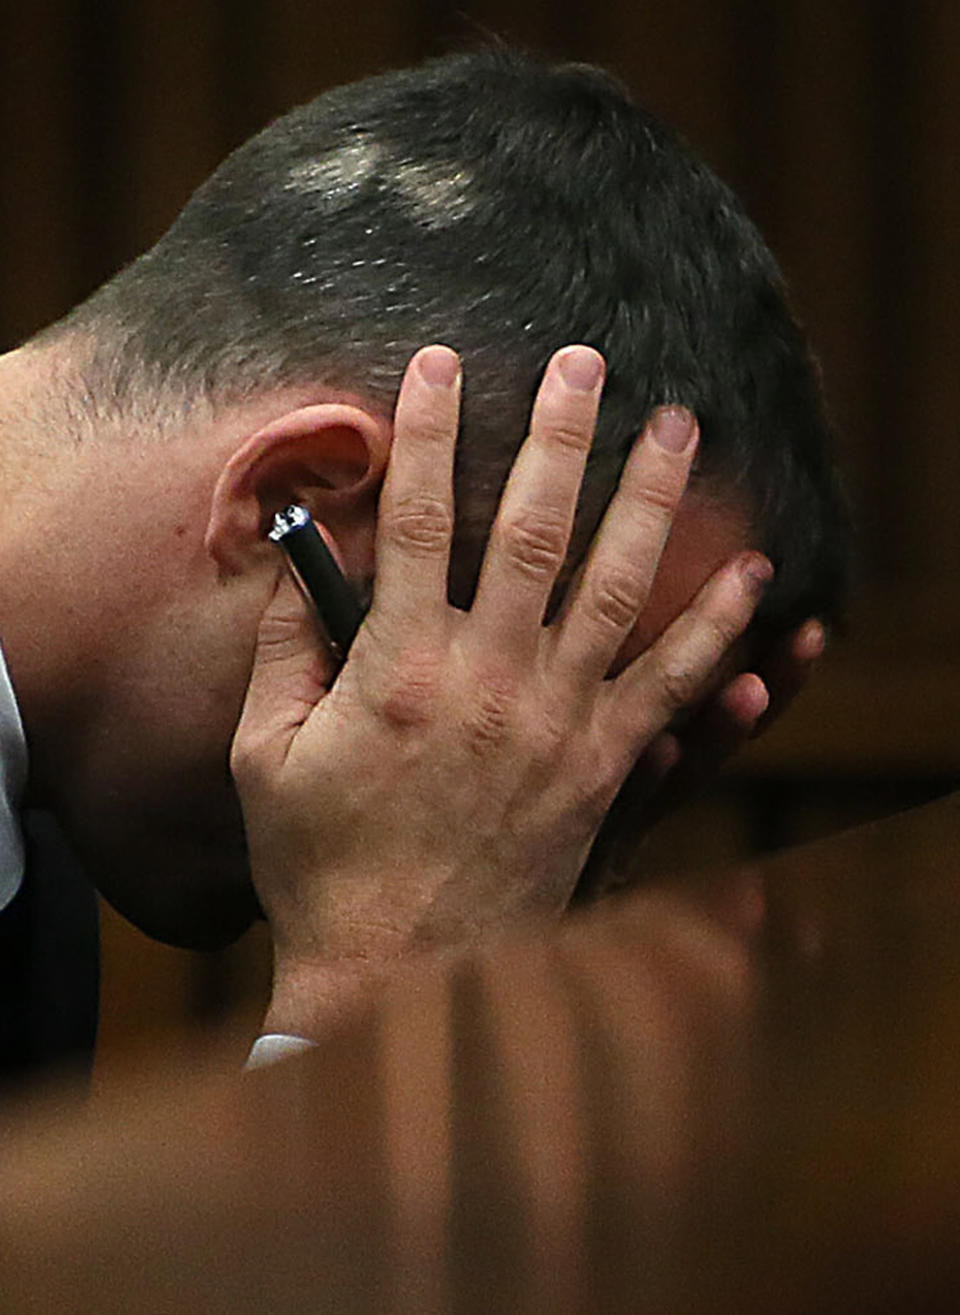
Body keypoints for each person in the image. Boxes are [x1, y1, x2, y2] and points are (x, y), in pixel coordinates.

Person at [0, 50, 848, 1075]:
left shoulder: (35, 832)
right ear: (291, 503)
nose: (516, 792)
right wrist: (380, 993)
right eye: (494, 696)